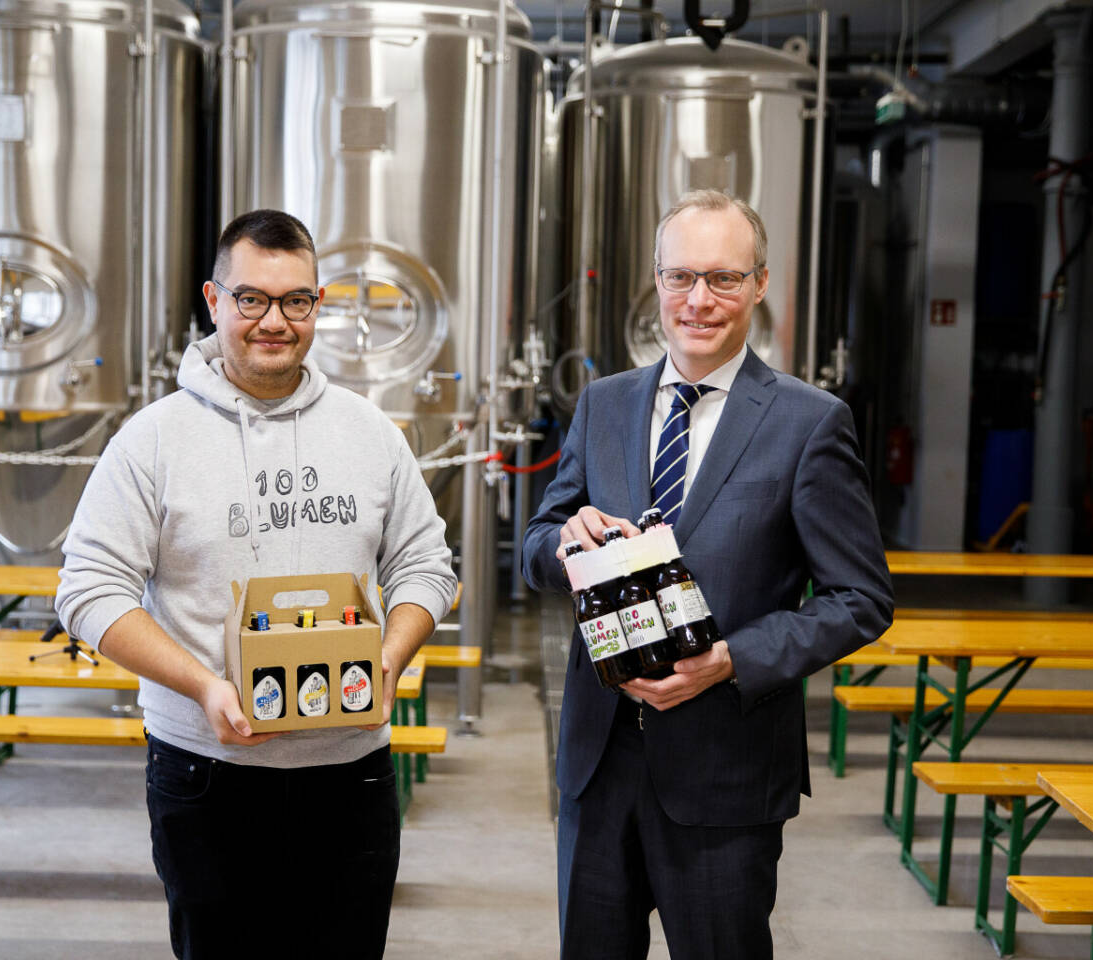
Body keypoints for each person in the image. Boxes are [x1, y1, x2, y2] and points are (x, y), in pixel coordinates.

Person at [55, 209, 457, 960]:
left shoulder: (370, 433)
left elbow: (426, 565)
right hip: (208, 775)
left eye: (295, 301)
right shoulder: (154, 439)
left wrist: (389, 660)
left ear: (319, 305)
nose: (274, 321)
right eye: (251, 299)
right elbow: (88, 590)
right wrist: (205, 687)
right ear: (214, 301)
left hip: (351, 772)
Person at [522, 189, 893, 959]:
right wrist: (565, 540)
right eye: (681, 277)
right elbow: (534, 541)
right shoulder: (605, 404)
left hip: (727, 773)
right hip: (599, 762)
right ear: (656, 281)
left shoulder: (808, 422)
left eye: (723, 279)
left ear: (760, 285)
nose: (699, 300)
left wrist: (729, 660)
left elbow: (861, 600)